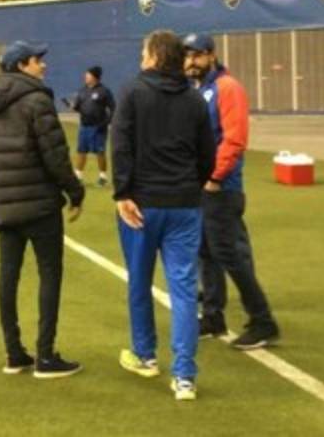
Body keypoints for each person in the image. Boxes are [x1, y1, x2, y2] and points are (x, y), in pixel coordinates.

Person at [111, 30, 215, 401]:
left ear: (154, 55)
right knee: (185, 289)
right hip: (184, 205)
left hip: (142, 205)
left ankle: (145, 355)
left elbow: (121, 144)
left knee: (139, 281)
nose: (141, 57)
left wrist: (122, 192)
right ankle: (185, 376)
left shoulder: (132, 92)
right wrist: (191, 185)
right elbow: (208, 155)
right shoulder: (194, 99)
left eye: (143, 52)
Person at [0, 41, 85, 380]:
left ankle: (14, 352)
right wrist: (74, 191)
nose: (44, 67)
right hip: (39, 205)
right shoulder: (37, 100)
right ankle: (46, 355)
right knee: (50, 273)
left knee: (8, 274)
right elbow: (55, 154)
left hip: (4, 206)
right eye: (39, 61)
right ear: (22, 65)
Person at [183, 33, 281, 350]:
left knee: (230, 256)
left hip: (222, 189)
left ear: (211, 55)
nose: (191, 62)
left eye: (197, 56)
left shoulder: (227, 88)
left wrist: (214, 177)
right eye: (187, 56)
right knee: (205, 252)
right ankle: (213, 316)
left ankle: (263, 321)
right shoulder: (199, 89)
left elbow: (234, 139)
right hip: (203, 187)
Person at [71, 66, 115, 187]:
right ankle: (78, 177)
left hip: (98, 127)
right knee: (81, 151)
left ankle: (103, 178)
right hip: (84, 127)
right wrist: (74, 107)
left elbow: (113, 108)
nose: (85, 77)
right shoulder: (82, 90)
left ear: (95, 77)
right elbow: (78, 107)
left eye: (88, 75)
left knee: (100, 153)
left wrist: (106, 123)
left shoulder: (104, 91)